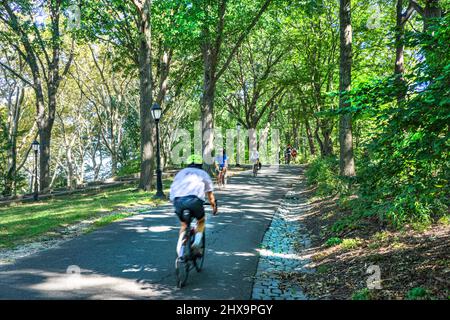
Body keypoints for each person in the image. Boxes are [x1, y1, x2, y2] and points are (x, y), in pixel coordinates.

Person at [169, 154, 218, 258]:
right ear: (200, 164)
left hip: (177, 201)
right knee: (201, 221)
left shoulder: (180, 173)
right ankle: (196, 242)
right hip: (194, 200)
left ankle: (180, 252)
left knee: (184, 225)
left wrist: (174, 202)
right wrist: (214, 207)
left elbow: (172, 189)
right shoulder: (203, 173)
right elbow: (210, 194)